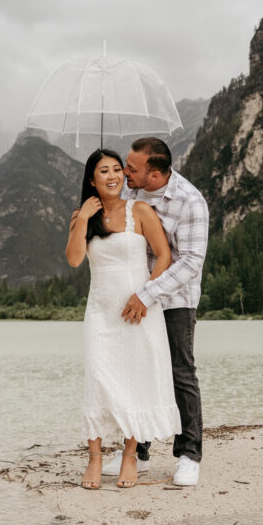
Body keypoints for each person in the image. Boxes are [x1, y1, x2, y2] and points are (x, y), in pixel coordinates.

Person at [65, 148, 181, 490]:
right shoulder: (82, 217)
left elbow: (163, 255)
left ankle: (130, 456)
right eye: (104, 171)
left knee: (136, 379)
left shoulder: (140, 210)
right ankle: (96, 458)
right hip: (101, 312)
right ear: (91, 180)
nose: (114, 176)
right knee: (99, 379)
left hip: (138, 310)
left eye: (118, 169)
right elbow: (73, 260)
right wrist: (83, 219)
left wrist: (146, 295)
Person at [100, 137, 209, 486]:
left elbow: (191, 262)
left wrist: (148, 293)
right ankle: (137, 453)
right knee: (137, 370)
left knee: (180, 373)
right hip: (134, 296)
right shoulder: (130, 192)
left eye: (132, 168)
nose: (124, 172)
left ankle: (189, 454)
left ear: (157, 174)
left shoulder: (189, 201)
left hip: (174, 298)